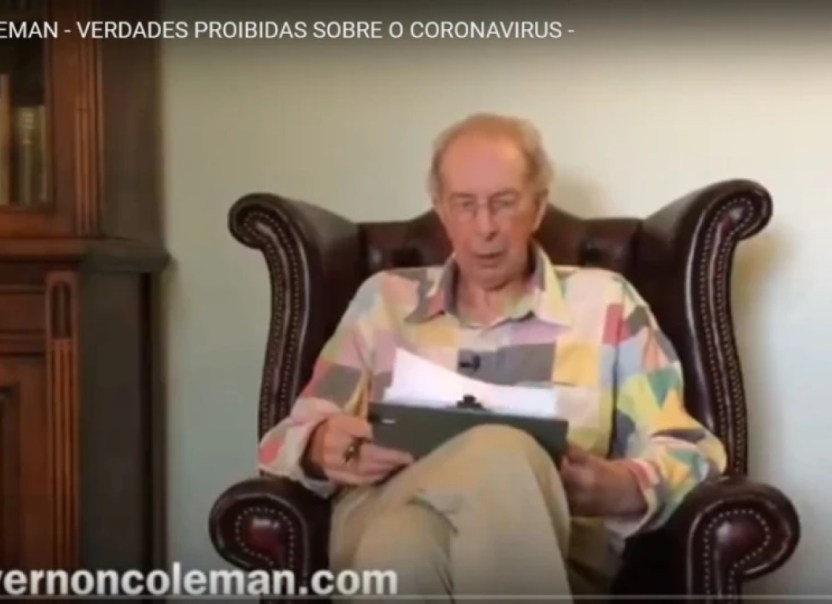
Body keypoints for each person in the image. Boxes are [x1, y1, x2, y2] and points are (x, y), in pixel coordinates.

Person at [256, 113, 727, 601]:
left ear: (538, 208)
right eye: (465, 205)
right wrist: (321, 445)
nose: (485, 228)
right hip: (381, 500)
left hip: (555, 548)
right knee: (500, 452)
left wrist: (621, 484)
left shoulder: (607, 303)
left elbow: (691, 450)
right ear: (441, 210)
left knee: (401, 548)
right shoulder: (385, 300)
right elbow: (281, 442)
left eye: (504, 203)